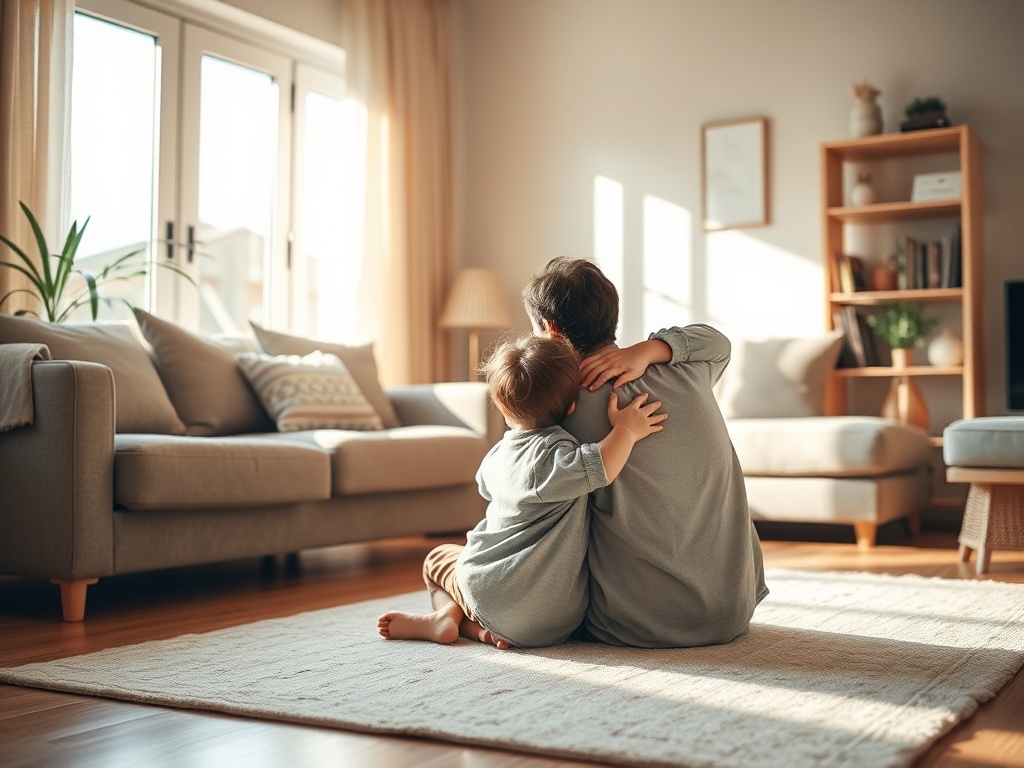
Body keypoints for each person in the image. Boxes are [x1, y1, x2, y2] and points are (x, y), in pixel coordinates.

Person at [522, 255, 768, 648]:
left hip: (638, 626)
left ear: (550, 331)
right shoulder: (689, 370)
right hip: (734, 610)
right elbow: (718, 343)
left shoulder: (565, 407)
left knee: (452, 560)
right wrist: (649, 349)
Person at [377, 334, 666, 649]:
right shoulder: (561, 457)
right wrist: (626, 429)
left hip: (490, 595)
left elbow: (485, 488)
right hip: (557, 621)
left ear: (501, 405)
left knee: (437, 559)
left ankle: (451, 618)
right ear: (572, 407)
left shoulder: (495, 459)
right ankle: (471, 627)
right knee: (464, 572)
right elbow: (602, 466)